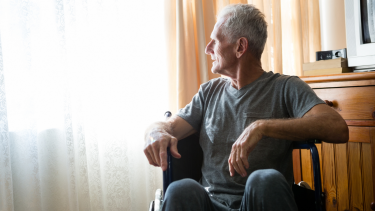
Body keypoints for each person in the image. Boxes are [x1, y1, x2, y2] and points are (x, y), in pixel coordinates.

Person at [143, 4, 348, 211]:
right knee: (181, 189)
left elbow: (337, 127)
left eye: (215, 40)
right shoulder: (209, 92)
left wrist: (261, 127)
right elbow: (169, 126)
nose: (208, 48)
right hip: (212, 203)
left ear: (240, 47)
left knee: (264, 179)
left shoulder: (285, 87)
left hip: (259, 201)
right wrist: (156, 132)